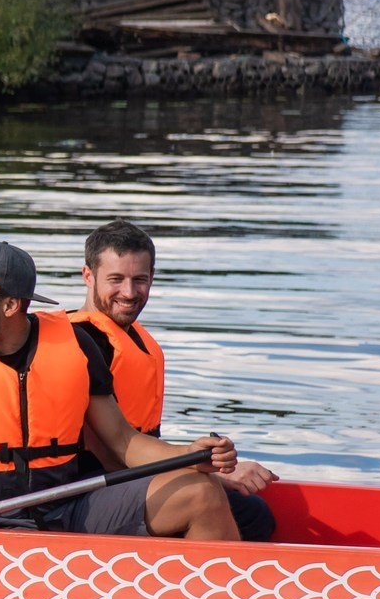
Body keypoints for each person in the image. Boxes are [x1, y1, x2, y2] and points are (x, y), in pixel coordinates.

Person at [0, 241, 242, 540]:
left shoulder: (76, 346)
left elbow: (123, 443)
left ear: (11, 305)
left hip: (66, 511)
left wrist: (189, 455)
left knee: (201, 493)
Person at [73, 218, 277, 539]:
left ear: (152, 278)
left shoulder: (135, 338)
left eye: (140, 280)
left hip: (133, 473)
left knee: (254, 514)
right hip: (89, 487)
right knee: (211, 495)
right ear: (88, 275)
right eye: (116, 279)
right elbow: (110, 452)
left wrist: (209, 465)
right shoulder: (81, 343)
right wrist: (207, 468)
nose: (129, 292)